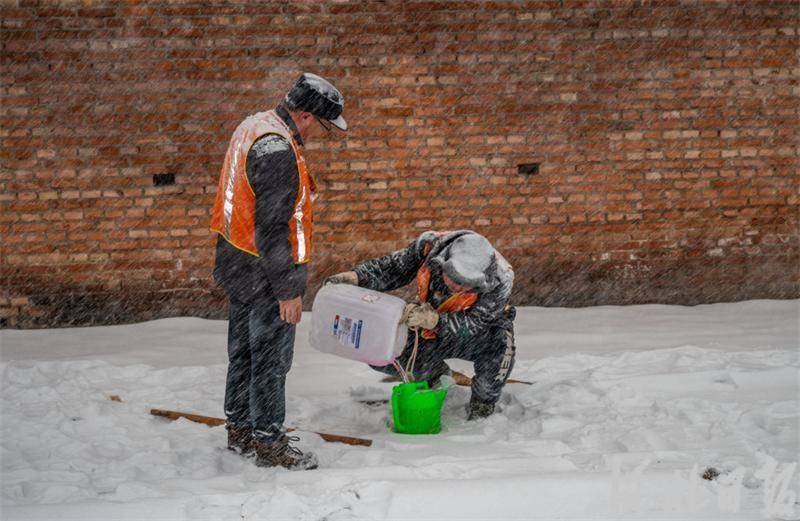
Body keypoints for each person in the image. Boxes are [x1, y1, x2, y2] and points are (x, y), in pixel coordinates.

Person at [210, 73, 347, 470]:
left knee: (243, 353)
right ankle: (268, 442)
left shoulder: (253, 126)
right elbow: (272, 227)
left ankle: (239, 429)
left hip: (237, 263)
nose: (320, 134)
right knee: (270, 360)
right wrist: (287, 290)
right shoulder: (277, 151)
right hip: (267, 275)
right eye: (321, 125)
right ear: (304, 115)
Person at [326, 230, 516, 419]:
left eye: (466, 285)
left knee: (497, 355)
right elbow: (394, 268)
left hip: (484, 332)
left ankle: (481, 407)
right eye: (454, 279)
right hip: (430, 319)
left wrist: (434, 321)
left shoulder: (501, 279)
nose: (457, 287)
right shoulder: (431, 246)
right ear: (443, 263)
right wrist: (357, 277)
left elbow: (473, 324)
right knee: (384, 350)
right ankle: (436, 376)